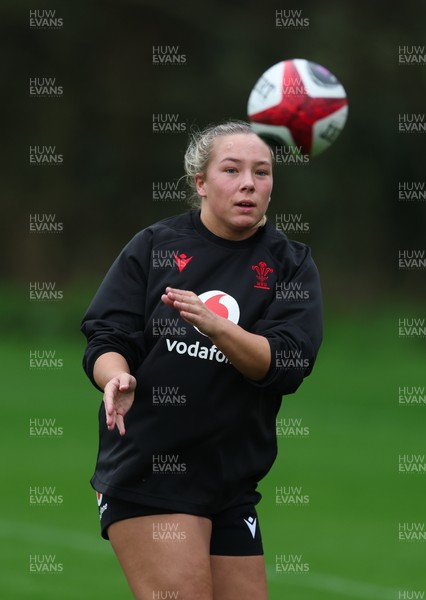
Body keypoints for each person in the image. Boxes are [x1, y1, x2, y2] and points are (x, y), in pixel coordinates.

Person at [81, 120, 323, 600]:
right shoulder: (155, 246)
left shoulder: (290, 263)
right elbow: (107, 335)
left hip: (231, 483)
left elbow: (287, 363)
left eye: (263, 172)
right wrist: (116, 375)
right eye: (232, 170)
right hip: (149, 473)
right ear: (200, 182)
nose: (249, 183)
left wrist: (218, 327)